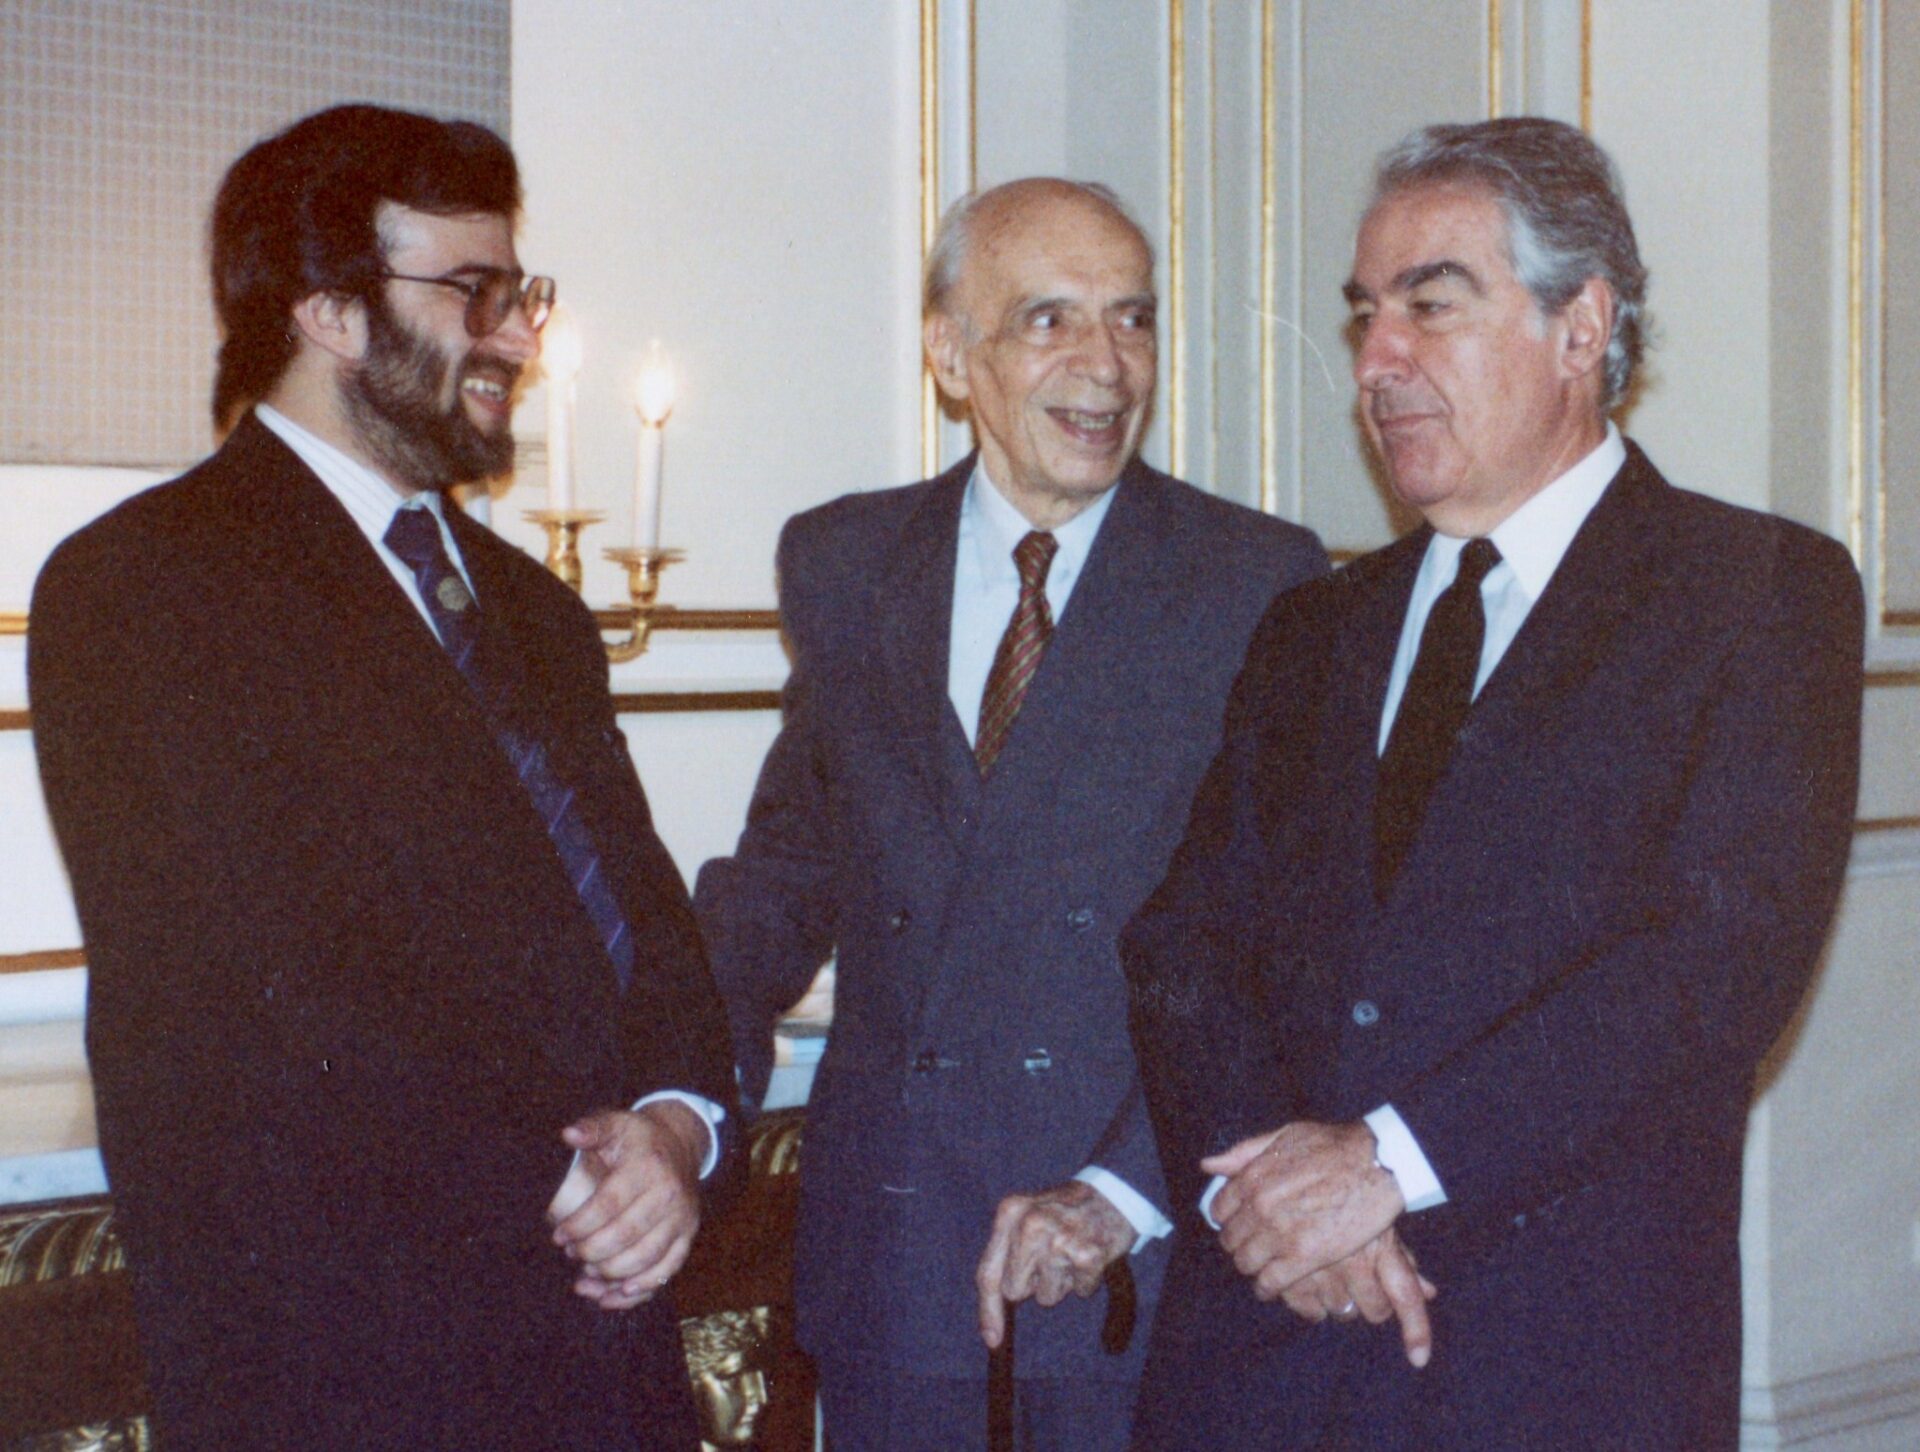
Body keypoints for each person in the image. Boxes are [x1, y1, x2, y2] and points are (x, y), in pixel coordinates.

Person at [1120, 115, 1865, 1449]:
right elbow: (1184, 942)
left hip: (1557, 1365)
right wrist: (1274, 1200)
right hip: (1264, 1351)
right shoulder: (1313, 627)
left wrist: (1387, 1167)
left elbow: (1709, 967)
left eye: (1431, 307)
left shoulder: (1755, 597)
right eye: (1363, 319)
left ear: (1583, 325)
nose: (1377, 361)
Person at [29, 104, 737, 1450]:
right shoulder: (140, 589)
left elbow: (644, 924)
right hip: (349, 1366)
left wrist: (679, 1126)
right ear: (328, 314)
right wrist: (583, 1181)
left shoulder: (534, 612)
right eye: (474, 294)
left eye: (520, 293)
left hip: (603, 1354)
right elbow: (254, 999)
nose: (520, 337)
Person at [692, 177, 1326, 1450]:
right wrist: (671, 1100)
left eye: (1133, 319)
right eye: (1049, 320)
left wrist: (1119, 1193)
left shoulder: (1259, 582)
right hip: (896, 1265)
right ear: (948, 351)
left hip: (1131, 1270)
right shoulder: (844, 561)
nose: (1106, 365)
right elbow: (779, 877)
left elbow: (1285, 945)